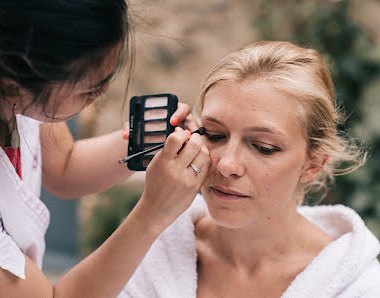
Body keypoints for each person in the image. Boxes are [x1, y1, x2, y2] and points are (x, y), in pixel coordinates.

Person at [0, 1, 211, 297]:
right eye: (88, 90)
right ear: (12, 85)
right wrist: (153, 213)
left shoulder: (10, 82)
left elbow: (65, 167)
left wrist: (150, 141)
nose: (103, 91)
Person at [119, 41, 380, 298]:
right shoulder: (151, 254)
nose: (226, 165)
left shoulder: (358, 287)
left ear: (313, 164)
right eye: (214, 134)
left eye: (263, 147)